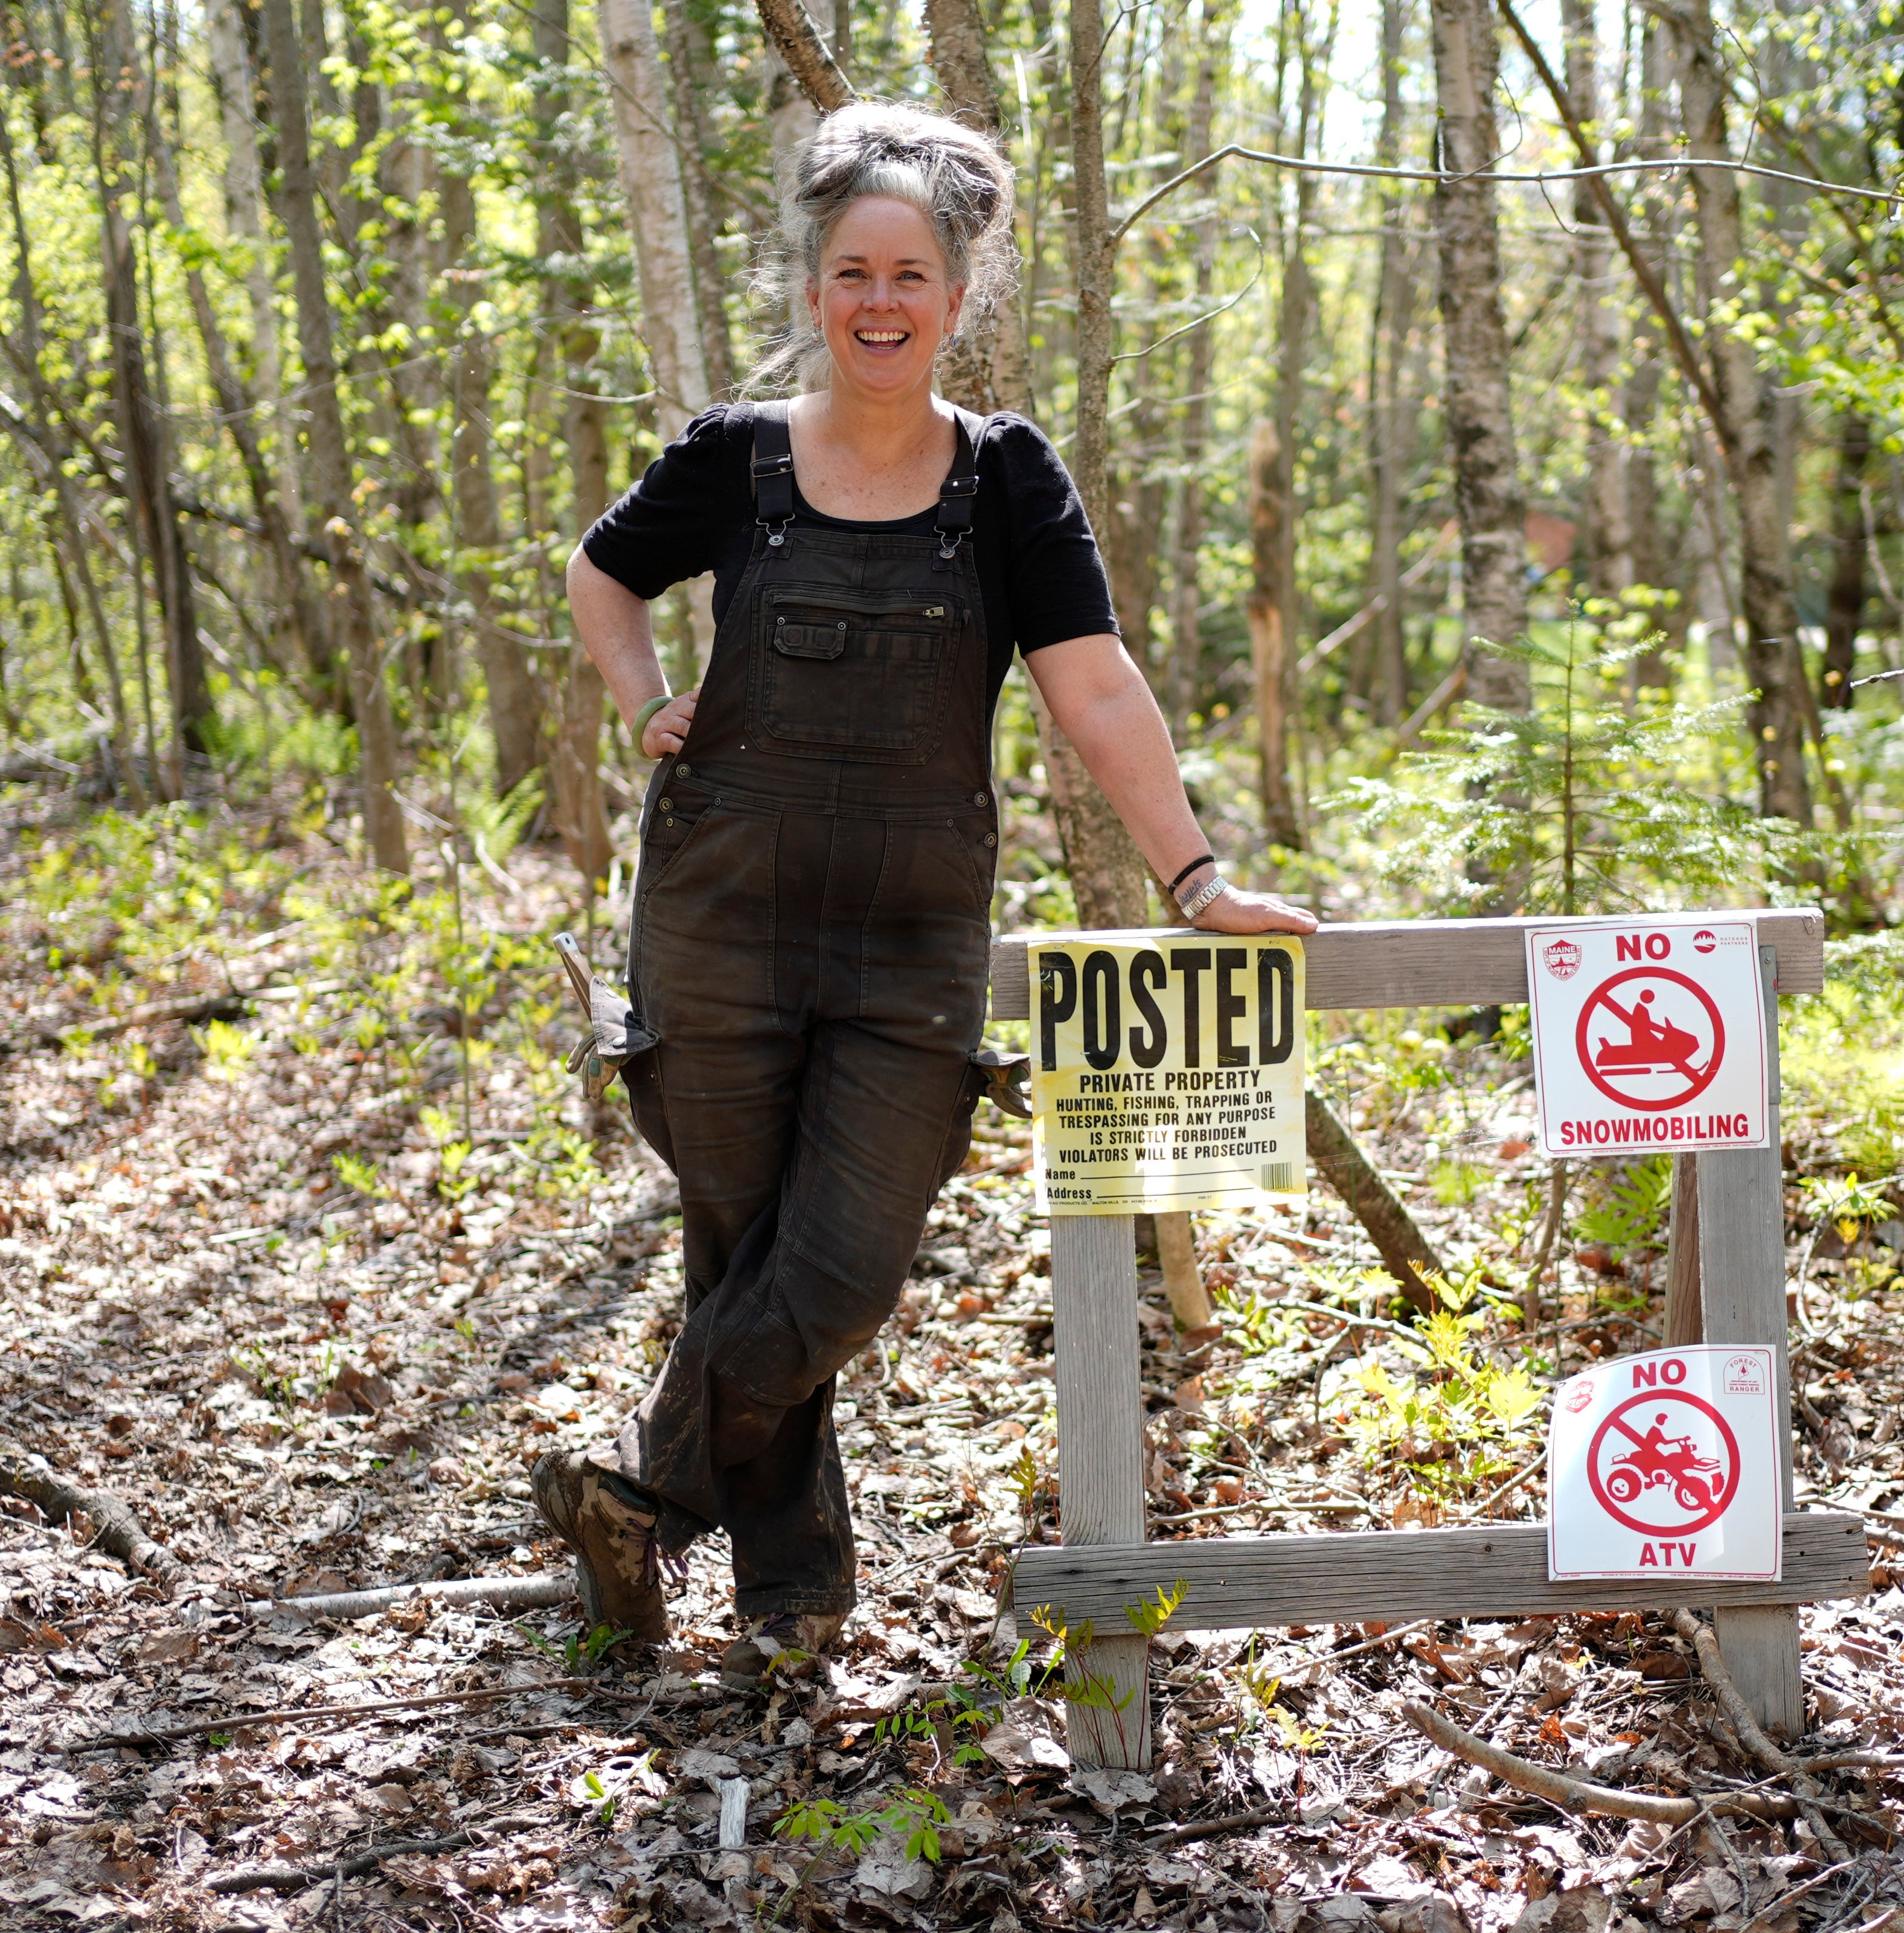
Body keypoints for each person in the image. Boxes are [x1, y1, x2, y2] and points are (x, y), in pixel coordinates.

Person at [532, 100, 1318, 1692]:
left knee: (840, 1266)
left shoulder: (1006, 479)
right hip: (718, 913)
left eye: (909, 275)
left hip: (909, 937)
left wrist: (1195, 873)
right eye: (851, 273)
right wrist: (644, 701)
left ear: (956, 299)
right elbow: (600, 572)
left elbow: (1094, 685)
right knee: (744, 1250)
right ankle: (791, 1600)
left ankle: (643, 1491)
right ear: (813, 289)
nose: (879, 301)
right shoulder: (733, 459)